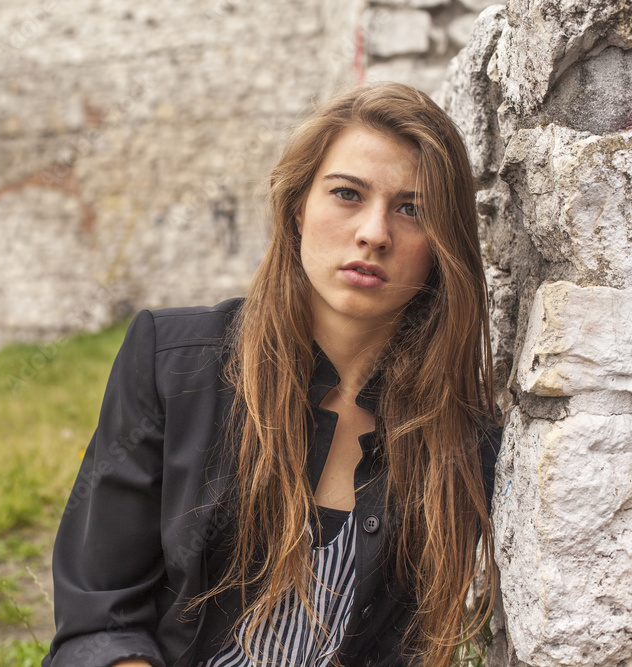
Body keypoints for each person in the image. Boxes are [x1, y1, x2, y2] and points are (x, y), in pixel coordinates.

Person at [42, 82, 502, 667]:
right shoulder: (173, 362)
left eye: (413, 209)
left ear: (442, 245)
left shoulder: (462, 435)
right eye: (346, 194)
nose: (374, 232)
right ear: (296, 208)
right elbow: (99, 617)